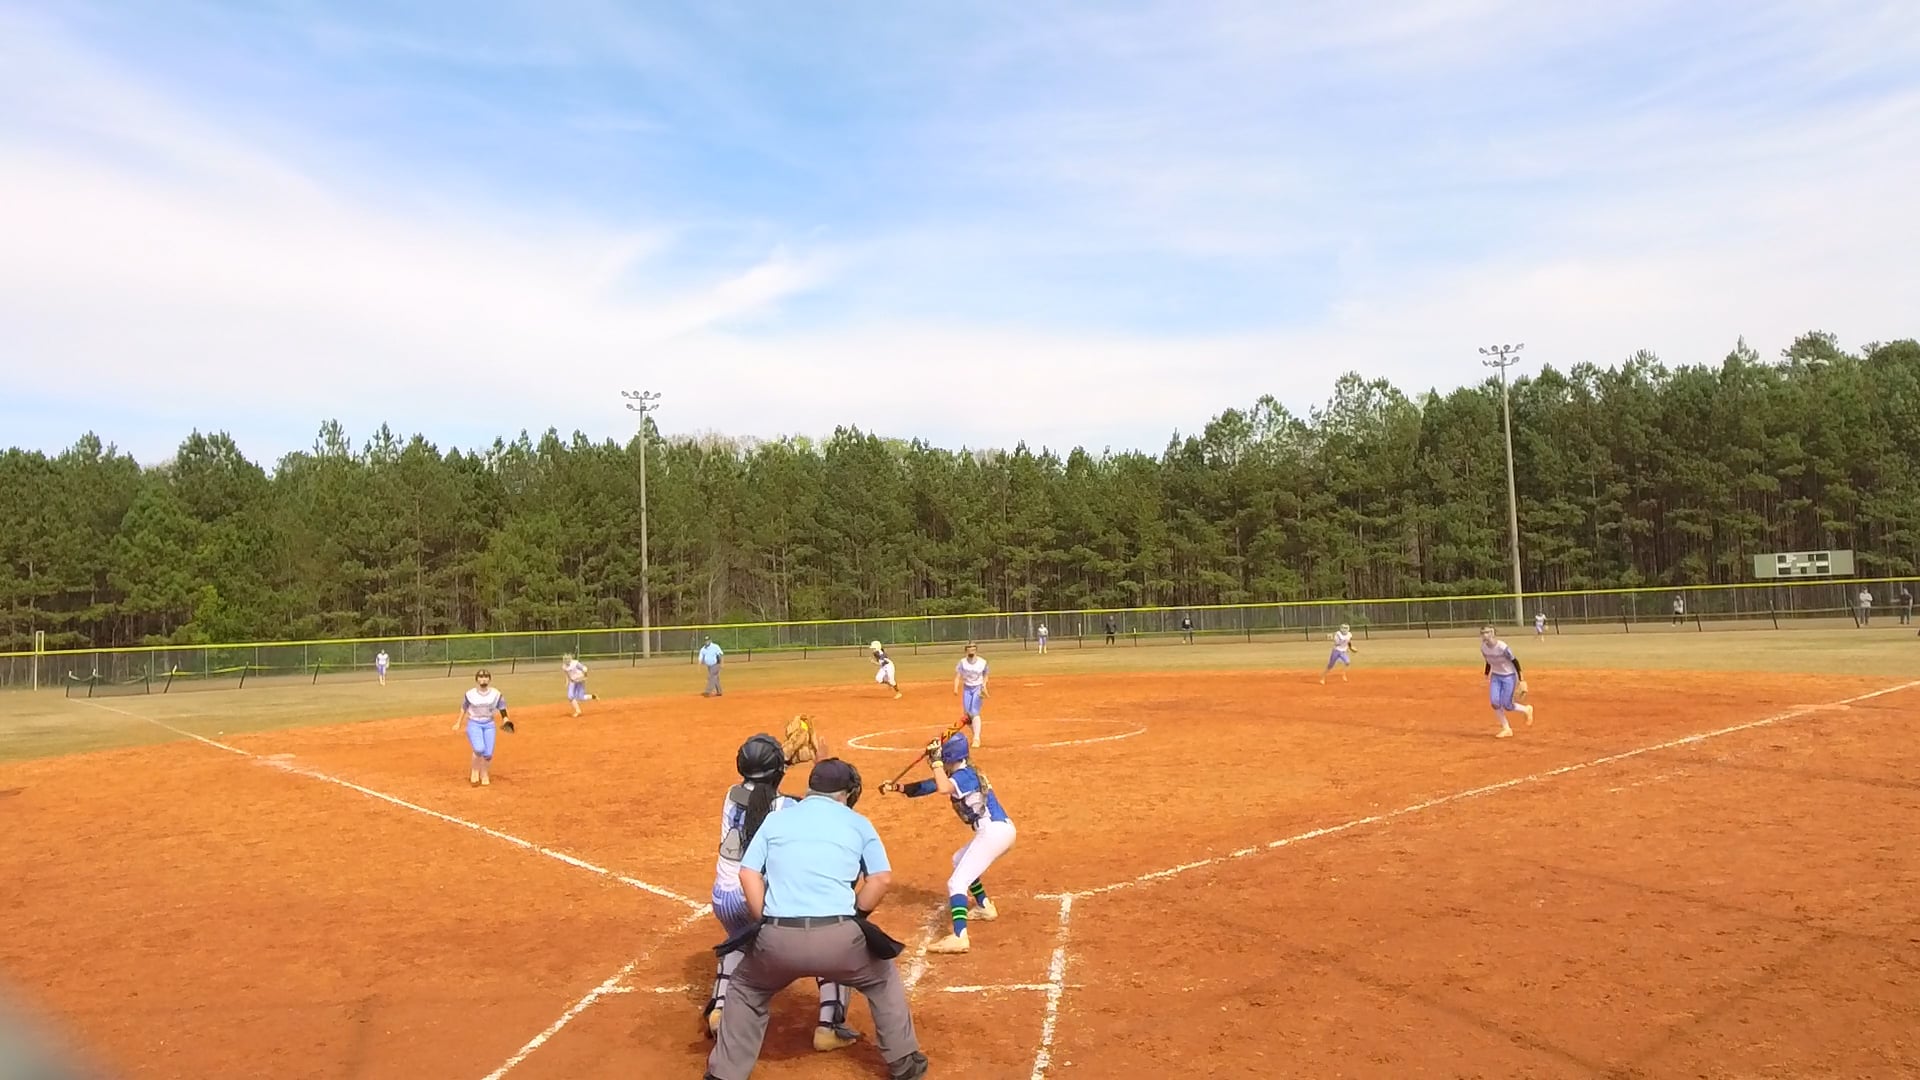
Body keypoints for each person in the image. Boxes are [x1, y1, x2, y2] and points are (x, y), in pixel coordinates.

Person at [705, 759, 927, 1080]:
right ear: (845, 794)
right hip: (840, 940)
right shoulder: (858, 822)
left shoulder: (776, 820)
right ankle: (905, 1063)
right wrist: (856, 915)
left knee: (745, 989)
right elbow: (881, 879)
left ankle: (725, 1073)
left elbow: (748, 873)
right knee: (881, 979)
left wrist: (765, 918)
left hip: (778, 939)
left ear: (811, 789)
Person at [705, 735, 859, 1052]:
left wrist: (783, 759)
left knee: (739, 943)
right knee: (827, 944)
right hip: (756, 897)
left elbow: (761, 788)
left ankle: (719, 1009)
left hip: (723, 897)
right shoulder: (786, 806)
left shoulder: (731, 795)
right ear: (776, 771)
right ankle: (829, 1026)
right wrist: (820, 764)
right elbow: (824, 806)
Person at [878, 732, 1015, 956]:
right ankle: (984, 906)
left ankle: (960, 937)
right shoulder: (963, 773)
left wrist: (936, 763)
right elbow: (930, 786)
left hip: (994, 831)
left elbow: (942, 787)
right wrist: (898, 788)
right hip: (997, 830)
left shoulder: (965, 776)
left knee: (956, 883)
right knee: (959, 860)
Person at [453, 669, 511, 786]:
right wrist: (458, 722)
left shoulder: (495, 694)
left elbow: (502, 707)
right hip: (474, 723)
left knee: (488, 754)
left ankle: (484, 773)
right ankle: (475, 772)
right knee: (479, 749)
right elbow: (464, 708)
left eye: (485, 677)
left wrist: (505, 719)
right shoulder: (470, 694)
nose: (483, 679)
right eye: (480, 677)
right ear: (477, 679)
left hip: (489, 724)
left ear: (489, 679)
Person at [1479, 626, 1535, 738]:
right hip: (1496, 676)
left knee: (1507, 705)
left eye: (1487, 632)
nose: (1484, 635)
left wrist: (1521, 679)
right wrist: (1486, 675)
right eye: (1482, 633)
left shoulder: (1502, 647)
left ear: (1492, 633)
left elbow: (1515, 661)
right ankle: (1506, 728)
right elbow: (1488, 662)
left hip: (1508, 676)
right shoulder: (1483, 648)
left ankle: (1526, 709)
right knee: (1495, 703)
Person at [953, 641, 989, 748]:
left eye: (973, 648)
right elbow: (957, 676)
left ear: (976, 650)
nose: (971, 650)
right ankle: (976, 735)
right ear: (966, 650)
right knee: (967, 716)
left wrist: (984, 685)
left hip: (978, 688)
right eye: (969, 648)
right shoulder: (962, 662)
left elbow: (986, 675)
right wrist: (955, 688)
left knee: (974, 712)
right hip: (967, 688)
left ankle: (976, 738)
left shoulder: (982, 662)